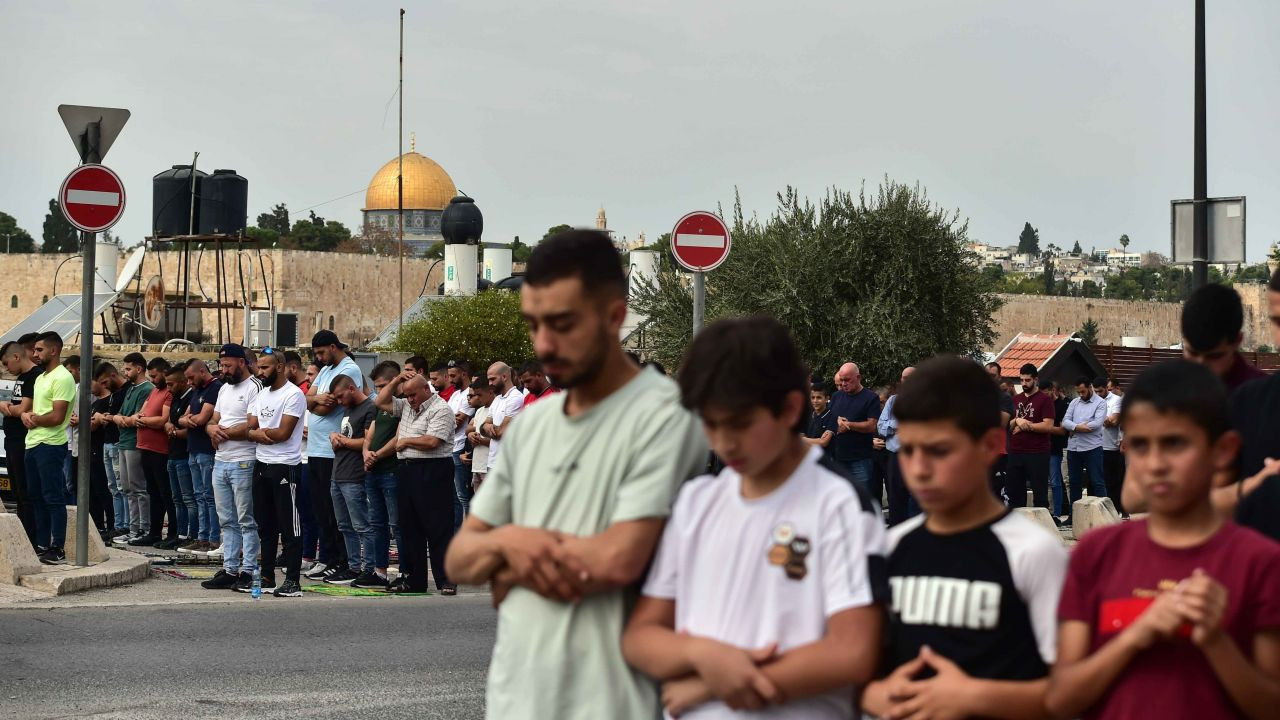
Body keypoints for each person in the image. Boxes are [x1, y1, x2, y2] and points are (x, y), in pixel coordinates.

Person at [446, 229, 709, 719]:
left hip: (611, 700)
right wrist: (508, 550)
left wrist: (506, 557)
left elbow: (616, 559)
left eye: (563, 323)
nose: (544, 344)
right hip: (515, 697)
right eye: (534, 324)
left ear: (613, 314)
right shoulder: (534, 425)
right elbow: (462, 557)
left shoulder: (665, 418)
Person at [622, 316, 886, 719]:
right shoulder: (697, 500)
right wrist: (703, 655)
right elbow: (642, 637)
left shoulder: (837, 504)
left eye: (740, 424)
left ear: (789, 409)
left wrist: (718, 683)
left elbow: (853, 652)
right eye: (710, 424)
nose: (724, 441)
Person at [1046, 360, 1280, 720]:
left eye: (1174, 443)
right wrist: (1135, 637)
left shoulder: (1261, 563)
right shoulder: (1096, 553)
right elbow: (1061, 699)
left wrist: (1217, 641)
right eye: (1139, 445)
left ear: (1224, 450)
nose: (1155, 464)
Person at [862, 356, 1069, 720]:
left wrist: (974, 697)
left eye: (939, 450)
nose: (920, 469)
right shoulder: (892, 547)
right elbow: (863, 667)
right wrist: (877, 695)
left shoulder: (1033, 552)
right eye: (909, 450)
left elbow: (1070, 691)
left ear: (989, 446)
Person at [375, 370, 457, 594]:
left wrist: (404, 441)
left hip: (432, 469)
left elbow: (432, 441)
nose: (410, 400)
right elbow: (380, 401)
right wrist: (396, 381)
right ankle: (415, 579)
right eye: (407, 395)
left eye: (413, 395)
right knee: (410, 527)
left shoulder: (441, 409)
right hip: (407, 470)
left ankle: (447, 579)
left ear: (426, 389)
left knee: (438, 526)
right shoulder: (407, 407)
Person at [200, 344, 264, 591]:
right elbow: (213, 420)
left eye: (227, 365)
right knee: (226, 519)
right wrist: (210, 429)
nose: (223, 369)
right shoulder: (224, 388)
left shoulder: (254, 387)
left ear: (241, 362)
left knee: (246, 519)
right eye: (221, 365)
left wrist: (220, 432)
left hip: (244, 461)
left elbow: (252, 425)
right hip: (221, 461)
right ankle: (229, 568)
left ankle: (248, 570)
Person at [245, 347, 306, 598]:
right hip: (262, 464)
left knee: (289, 527)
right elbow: (250, 427)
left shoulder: (293, 395)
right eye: (259, 367)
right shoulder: (262, 394)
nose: (260, 372)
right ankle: (268, 577)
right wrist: (258, 435)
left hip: (285, 466)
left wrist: (259, 434)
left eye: (265, 367)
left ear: (280, 367)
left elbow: (282, 434)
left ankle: (293, 581)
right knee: (265, 526)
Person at [303, 330, 363, 580]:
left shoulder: (349, 369)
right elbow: (306, 400)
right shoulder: (326, 369)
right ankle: (326, 556)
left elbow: (329, 407)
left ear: (333, 346)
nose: (318, 358)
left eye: (320, 352)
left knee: (334, 511)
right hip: (315, 450)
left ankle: (341, 559)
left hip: (333, 451)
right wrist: (315, 399)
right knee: (320, 509)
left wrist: (315, 402)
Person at [19, 332, 77, 564]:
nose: (35, 354)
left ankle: (58, 547)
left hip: (51, 444)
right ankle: (42, 544)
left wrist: (33, 418)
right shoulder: (42, 377)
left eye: (39, 350)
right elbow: (35, 409)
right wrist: (25, 415)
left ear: (54, 351)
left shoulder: (62, 377)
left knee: (53, 496)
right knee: (35, 496)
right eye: (34, 350)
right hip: (33, 442)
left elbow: (57, 416)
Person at [325, 373, 378, 587]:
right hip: (338, 472)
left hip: (355, 475)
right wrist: (334, 436)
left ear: (351, 388)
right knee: (344, 525)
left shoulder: (370, 408)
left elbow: (368, 441)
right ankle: (353, 565)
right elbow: (346, 436)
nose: (339, 402)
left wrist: (342, 441)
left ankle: (370, 567)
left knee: (361, 525)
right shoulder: (348, 409)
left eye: (340, 397)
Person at [1181, 283, 1267, 392]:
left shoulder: (1264, 397)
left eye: (1214, 356)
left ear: (1237, 341)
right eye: (1193, 353)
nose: (1201, 366)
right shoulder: (1165, 390)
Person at [362, 361, 403, 587]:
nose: (379, 391)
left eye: (383, 385)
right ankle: (379, 572)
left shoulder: (402, 405)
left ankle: (404, 572)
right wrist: (366, 451)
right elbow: (371, 432)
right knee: (376, 523)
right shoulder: (380, 406)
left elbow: (398, 438)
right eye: (376, 386)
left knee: (396, 525)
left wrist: (376, 455)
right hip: (373, 471)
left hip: (391, 471)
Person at [0, 339, 42, 545]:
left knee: (26, 492)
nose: (7, 368)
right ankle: (23, 535)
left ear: (16, 357)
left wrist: (6, 407)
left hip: (23, 441)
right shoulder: (22, 377)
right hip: (12, 439)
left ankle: (31, 537)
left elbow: (23, 408)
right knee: (18, 492)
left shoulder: (34, 376)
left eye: (6, 364)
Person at [179, 359, 222, 555]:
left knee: (209, 496)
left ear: (202, 372)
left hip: (206, 451)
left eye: (191, 377)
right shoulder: (196, 391)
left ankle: (213, 539)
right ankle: (201, 537)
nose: (189, 382)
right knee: (198, 495)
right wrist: (189, 420)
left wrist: (190, 420)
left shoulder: (215, 388)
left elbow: (202, 419)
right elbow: (182, 418)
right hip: (193, 449)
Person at [133, 358, 176, 548]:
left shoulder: (168, 392)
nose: (153, 379)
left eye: (155, 375)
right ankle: (154, 531)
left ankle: (172, 532)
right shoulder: (153, 391)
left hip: (160, 449)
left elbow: (162, 419)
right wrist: (141, 419)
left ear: (165, 372)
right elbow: (140, 414)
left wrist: (145, 421)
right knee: (152, 492)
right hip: (145, 447)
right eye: (151, 376)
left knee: (165, 493)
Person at [111, 353, 152, 544]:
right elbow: (120, 415)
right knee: (127, 488)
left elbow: (136, 418)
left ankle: (144, 528)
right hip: (124, 441)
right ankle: (133, 527)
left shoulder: (146, 389)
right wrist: (120, 419)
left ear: (139, 368)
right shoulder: (130, 388)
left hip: (135, 443)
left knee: (139, 488)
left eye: (128, 369)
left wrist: (120, 420)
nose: (125, 373)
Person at [1006, 363, 1056, 512]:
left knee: (1040, 494)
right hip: (1015, 451)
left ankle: (1042, 528)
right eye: (1021, 380)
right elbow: (1007, 425)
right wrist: (1017, 421)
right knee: (1015, 494)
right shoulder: (1015, 400)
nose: (1024, 383)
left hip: (1037, 452)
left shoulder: (1044, 400)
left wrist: (1024, 426)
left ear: (1035, 379)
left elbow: (1048, 426)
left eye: (1027, 380)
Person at [829, 362, 881, 492]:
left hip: (860, 459)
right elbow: (831, 420)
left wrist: (849, 425)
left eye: (847, 380)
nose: (843, 384)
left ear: (858, 377)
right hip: (839, 457)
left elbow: (872, 426)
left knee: (863, 499)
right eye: (841, 380)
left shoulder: (871, 398)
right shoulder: (836, 396)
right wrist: (836, 422)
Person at [92, 362, 130, 539]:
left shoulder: (125, 392)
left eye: (105, 382)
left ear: (113, 375)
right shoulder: (114, 394)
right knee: (113, 487)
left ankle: (125, 525)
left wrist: (105, 417)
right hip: (107, 444)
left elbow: (122, 418)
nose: (104, 387)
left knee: (123, 487)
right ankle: (117, 524)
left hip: (117, 443)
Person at [1061, 376, 1108, 515]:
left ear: (1089, 387)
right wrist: (1078, 427)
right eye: (1078, 392)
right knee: (1074, 483)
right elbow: (1065, 421)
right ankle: (1074, 515)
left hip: (1092, 447)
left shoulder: (1100, 403)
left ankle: (1104, 514)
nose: (1081, 395)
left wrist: (1074, 428)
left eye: (1083, 391)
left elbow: (1097, 423)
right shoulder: (1074, 402)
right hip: (1074, 448)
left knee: (1097, 482)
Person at [163, 364, 197, 549]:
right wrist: (169, 426)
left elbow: (189, 428)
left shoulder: (190, 398)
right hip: (172, 454)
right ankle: (180, 532)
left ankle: (192, 534)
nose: (168, 388)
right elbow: (170, 421)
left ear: (183, 382)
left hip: (184, 454)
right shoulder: (175, 398)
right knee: (177, 498)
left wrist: (174, 432)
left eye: (171, 384)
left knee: (189, 498)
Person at [877, 366, 917, 525]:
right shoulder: (893, 401)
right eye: (903, 378)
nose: (905, 381)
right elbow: (881, 427)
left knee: (916, 499)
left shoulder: (927, 401)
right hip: (894, 457)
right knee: (895, 498)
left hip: (915, 456)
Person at [446, 359, 476, 529]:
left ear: (464, 374)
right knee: (454, 497)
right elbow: (448, 418)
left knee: (464, 497)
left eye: (453, 376)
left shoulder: (468, 395)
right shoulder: (456, 394)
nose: (450, 380)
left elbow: (457, 423)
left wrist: (447, 421)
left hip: (460, 449)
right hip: (450, 448)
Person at [482, 362, 524, 473]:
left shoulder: (516, 398)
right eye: (489, 380)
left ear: (504, 377)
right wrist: (487, 427)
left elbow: (501, 432)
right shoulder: (496, 399)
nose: (490, 383)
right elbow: (482, 427)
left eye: (492, 379)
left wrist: (489, 427)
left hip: (508, 464)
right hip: (492, 461)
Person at [86, 371, 114, 536]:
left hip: (101, 448)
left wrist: (94, 420)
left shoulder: (107, 402)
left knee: (105, 490)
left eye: (90, 383)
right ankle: (98, 525)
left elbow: (93, 425)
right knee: (94, 490)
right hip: (92, 450)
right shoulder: (95, 404)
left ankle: (110, 525)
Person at [985, 362, 1014, 501]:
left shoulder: (1004, 398)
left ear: (999, 377)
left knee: (997, 493)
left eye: (993, 375)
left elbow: (1001, 423)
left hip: (999, 453)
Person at [1099, 377, 1126, 517]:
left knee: (1116, 479)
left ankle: (1121, 508)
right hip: (1098, 445)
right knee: (1103, 480)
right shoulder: (1096, 401)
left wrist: (1097, 421)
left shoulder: (1117, 401)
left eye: (1106, 389)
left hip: (1114, 445)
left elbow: (1114, 421)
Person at [464, 377, 495, 493]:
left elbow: (500, 441)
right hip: (477, 466)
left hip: (490, 466)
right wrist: (470, 435)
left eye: (479, 395)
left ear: (490, 392)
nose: (476, 398)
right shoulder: (479, 411)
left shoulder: (496, 409)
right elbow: (469, 429)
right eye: (474, 395)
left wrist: (480, 440)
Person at [1046, 381, 1071, 519]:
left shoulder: (1061, 405)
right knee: (1049, 482)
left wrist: (1042, 427)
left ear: (1053, 390)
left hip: (1058, 447)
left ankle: (1057, 512)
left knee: (1057, 481)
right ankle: (1051, 510)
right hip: (1044, 447)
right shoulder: (1045, 404)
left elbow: (1062, 430)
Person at [803, 381, 835, 452]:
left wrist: (802, 440)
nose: (815, 401)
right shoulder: (808, 416)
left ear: (827, 399)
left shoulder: (832, 416)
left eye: (819, 397)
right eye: (813, 397)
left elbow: (824, 442)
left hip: (826, 460)